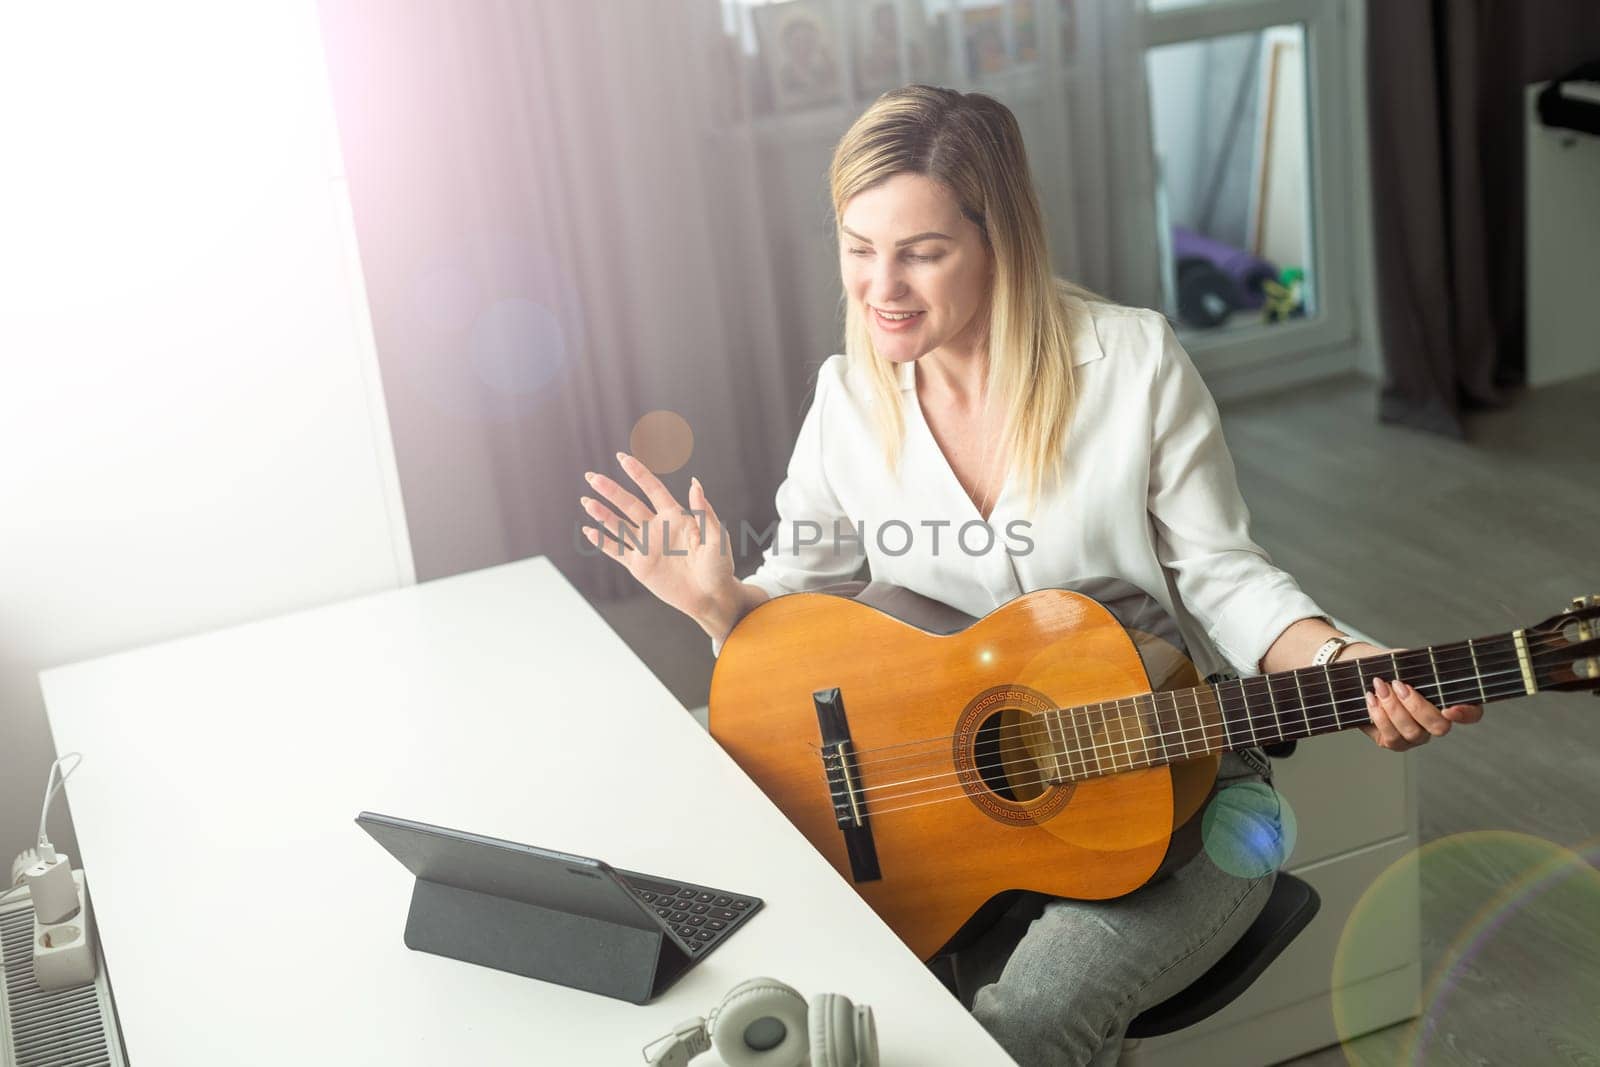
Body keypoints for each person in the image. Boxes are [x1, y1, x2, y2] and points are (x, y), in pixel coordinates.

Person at [577, 85, 1482, 1066]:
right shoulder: (848, 400)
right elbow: (800, 602)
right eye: (857, 246)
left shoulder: (1132, 362)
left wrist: (1345, 659)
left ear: (998, 237)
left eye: (920, 251)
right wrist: (718, 601)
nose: (881, 285)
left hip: (1195, 790)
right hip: (935, 809)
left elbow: (1225, 576)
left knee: (1025, 1023)